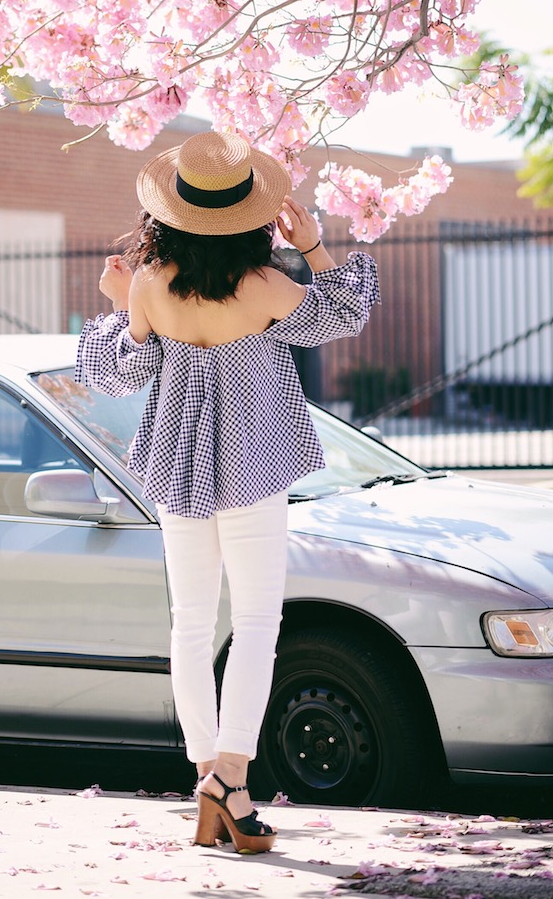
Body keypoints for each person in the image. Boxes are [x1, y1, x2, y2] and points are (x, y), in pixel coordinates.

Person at [76, 131, 379, 853]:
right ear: (250, 214)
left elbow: (117, 372)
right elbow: (346, 313)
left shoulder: (149, 282)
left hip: (178, 474)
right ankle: (231, 781)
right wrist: (312, 246)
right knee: (257, 623)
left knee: (188, 625)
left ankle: (209, 775)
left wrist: (123, 304)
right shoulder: (264, 286)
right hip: (251, 470)